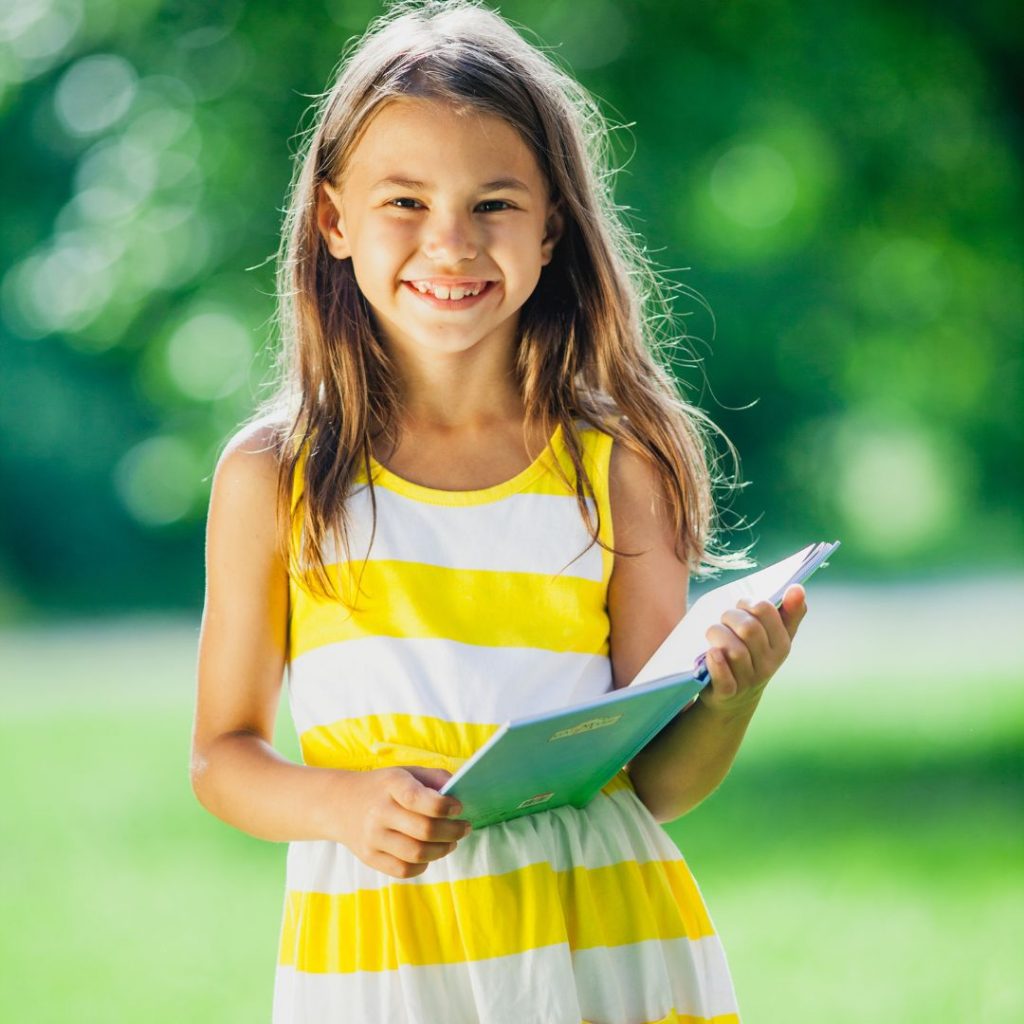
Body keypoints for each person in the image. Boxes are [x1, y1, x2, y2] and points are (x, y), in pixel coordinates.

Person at [190, 1, 807, 1021]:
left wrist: (731, 697)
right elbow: (222, 756)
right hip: (391, 962)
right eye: (404, 201)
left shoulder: (615, 469)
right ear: (333, 218)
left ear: (552, 223)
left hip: (602, 945)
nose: (451, 244)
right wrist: (342, 802)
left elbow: (652, 782)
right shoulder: (275, 476)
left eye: (493, 204)